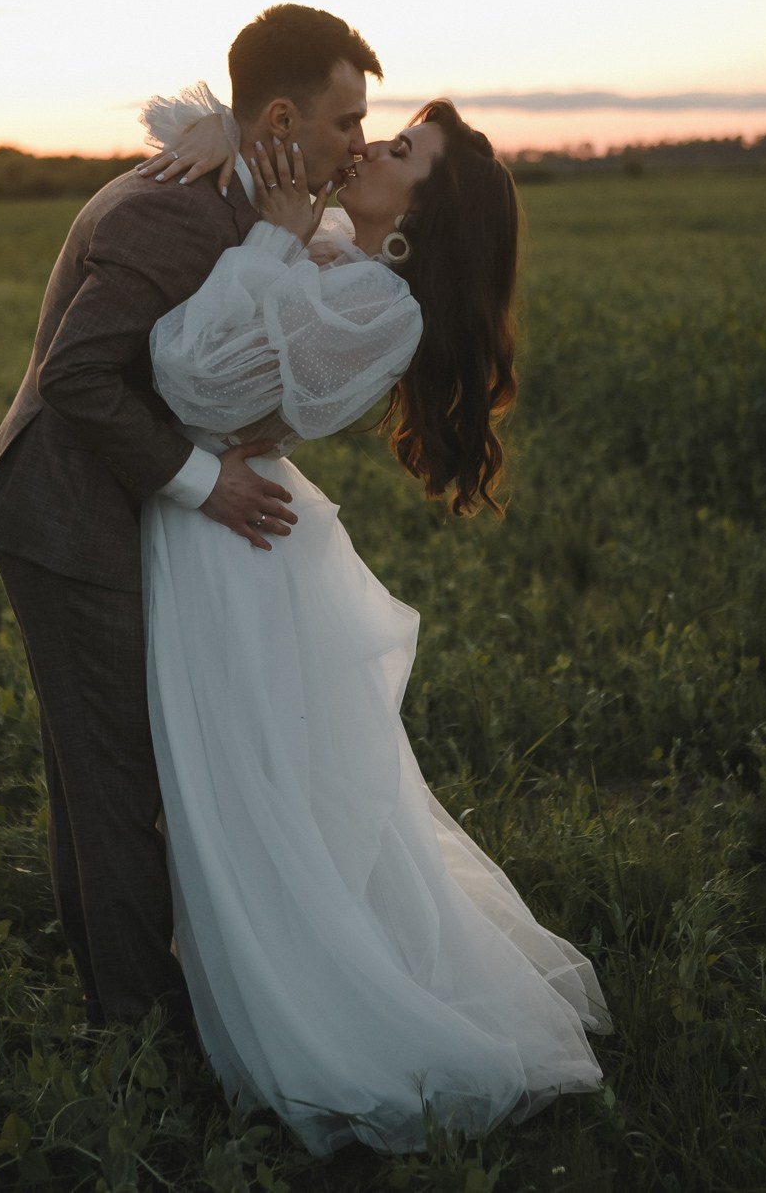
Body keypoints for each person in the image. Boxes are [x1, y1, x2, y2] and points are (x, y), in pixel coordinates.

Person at [134, 96, 610, 1154]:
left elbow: (185, 375)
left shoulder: (378, 306)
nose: (367, 147)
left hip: (231, 543)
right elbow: (211, 147)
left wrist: (271, 236)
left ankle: (320, 1019)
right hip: (229, 528)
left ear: (419, 216)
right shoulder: (342, 251)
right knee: (248, 791)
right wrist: (231, 143)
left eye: (397, 150)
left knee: (251, 800)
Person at [0, 4, 384, 1027]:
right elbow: (78, 378)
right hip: (67, 519)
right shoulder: (170, 208)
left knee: (98, 772)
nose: (360, 142)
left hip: (102, 509)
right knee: (113, 783)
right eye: (348, 121)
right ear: (280, 116)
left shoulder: (238, 191)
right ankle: (139, 1035)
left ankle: (124, 998)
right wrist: (204, 480)